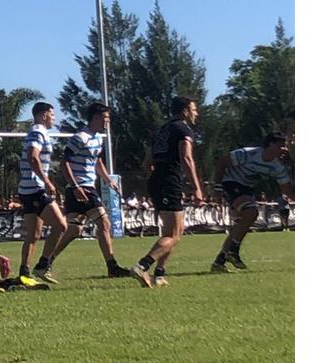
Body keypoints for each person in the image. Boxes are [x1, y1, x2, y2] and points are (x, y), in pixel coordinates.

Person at [41, 103, 133, 278]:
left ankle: (46, 261)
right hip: (81, 187)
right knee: (104, 223)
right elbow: (64, 162)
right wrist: (75, 186)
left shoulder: (97, 138)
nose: (108, 121)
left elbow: (96, 160)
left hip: (86, 187)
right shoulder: (80, 137)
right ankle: (112, 266)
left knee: (74, 230)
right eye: (106, 117)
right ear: (96, 118)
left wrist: (108, 180)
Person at [130, 96, 207, 288]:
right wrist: (197, 187)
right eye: (194, 109)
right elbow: (187, 159)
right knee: (173, 234)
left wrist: (157, 178)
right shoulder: (182, 129)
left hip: (158, 180)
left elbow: (146, 163)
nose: (196, 113)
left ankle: (159, 274)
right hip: (169, 181)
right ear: (185, 111)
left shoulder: (160, 131)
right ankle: (142, 266)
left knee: (174, 232)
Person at [210, 133, 294, 272]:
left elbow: (288, 191)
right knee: (251, 212)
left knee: (242, 224)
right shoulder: (248, 154)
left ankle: (219, 262)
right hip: (230, 182)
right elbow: (222, 163)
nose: (284, 149)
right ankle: (233, 250)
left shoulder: (277, 166)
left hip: (246, 188)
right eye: (281, 145)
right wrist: (217, 188)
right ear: (270, 145)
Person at [20, 102, 71, 284]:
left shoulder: (37, 131)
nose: (54, 118)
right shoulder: (38, 131)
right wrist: (47, 180)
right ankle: (43, 265)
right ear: (43, 115)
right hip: (35, 188)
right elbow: (33, 156)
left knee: (33, 234)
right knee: (61, 226)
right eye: (52, 114)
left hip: (27, 189)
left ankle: (24, 273)